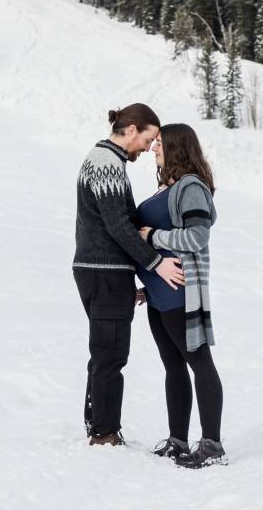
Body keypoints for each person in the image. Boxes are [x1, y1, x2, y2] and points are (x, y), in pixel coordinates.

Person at [73, 104, 184, 447]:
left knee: (104, 350)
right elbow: (119, 226)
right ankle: (104, 434)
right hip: (104, 271)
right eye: (149, 138)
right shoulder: (107, 163)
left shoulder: (108, 161)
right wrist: (156, 264)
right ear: (133, 129)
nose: (150, 147)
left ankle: (98, 424)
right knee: (111, 353)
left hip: (103, 272)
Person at [136, 123, 225, 468]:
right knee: (173, 367)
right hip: (159, 295)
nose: (154, 149)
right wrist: (147, 285)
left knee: (198, 362)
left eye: (159, 144)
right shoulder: (166, 188)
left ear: (176, 147)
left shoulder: (190, 187)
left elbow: (195, 239)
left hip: (180, 294)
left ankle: (213, 445)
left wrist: (151, 236)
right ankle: (177, 440)